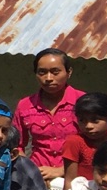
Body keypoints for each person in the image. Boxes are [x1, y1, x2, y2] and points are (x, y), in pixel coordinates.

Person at [13, 48, 84, 181]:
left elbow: (96, 144)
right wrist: (30, 170)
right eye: (42, 72)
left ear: (69, 72)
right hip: (37, 177)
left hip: (76, 178)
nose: (49, 78)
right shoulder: (25, 105)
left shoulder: (83, 102)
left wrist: (61, 170)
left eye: (55, 72)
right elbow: (16, 144)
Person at [63, 92, 107, 186]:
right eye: (82, 120)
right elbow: (69, 181)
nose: (88, 126)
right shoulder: (75, 142)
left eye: (95, 120)